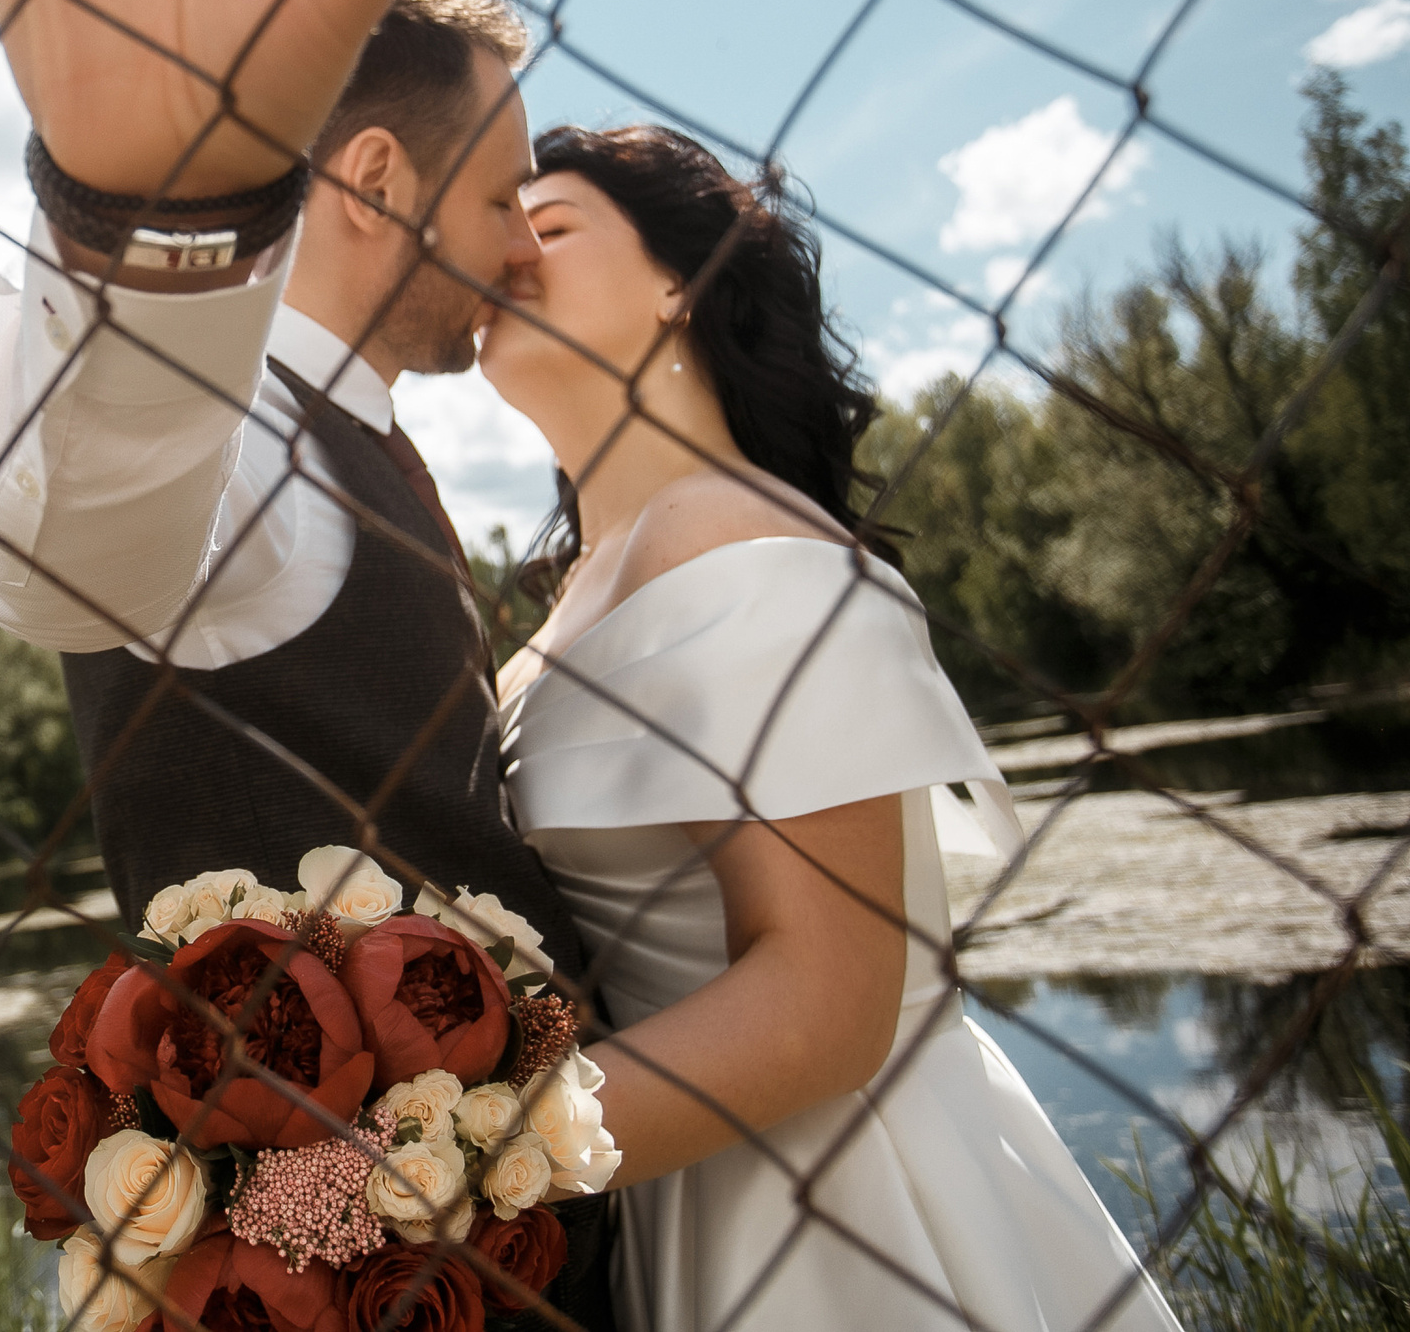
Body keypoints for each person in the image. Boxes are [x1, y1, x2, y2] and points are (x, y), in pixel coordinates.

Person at [0, 0, 618, 1322]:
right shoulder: (242, 433)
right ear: (370, 176)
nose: (520, 253)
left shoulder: (372, 437)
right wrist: (162, 212)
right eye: (495, 202)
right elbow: (69, 556)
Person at [485, 123, 1184, 1331]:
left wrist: (462, 1167)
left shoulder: (732, 528)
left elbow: (824, 999)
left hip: (851, 1202)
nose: (505, 249)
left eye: (549, 225)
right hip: (662, 1176)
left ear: (679, 285)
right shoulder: (550, 618)